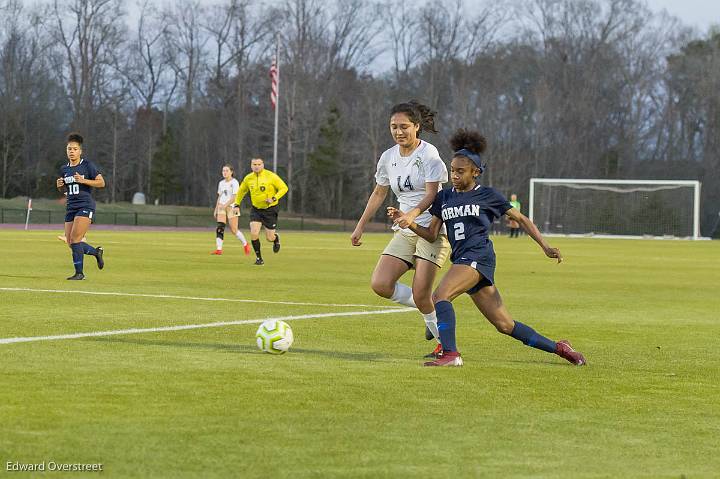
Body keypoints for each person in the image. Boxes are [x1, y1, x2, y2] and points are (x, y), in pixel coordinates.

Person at [388, 129, 586, 367]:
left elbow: (521, 219)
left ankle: (450, 354)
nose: (455, 175)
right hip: (463, 262)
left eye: (461, 171)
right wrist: (409, 223)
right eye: (452, 170)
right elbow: (431, 234)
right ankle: (560, 348)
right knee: (504, 325)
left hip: (478, 258)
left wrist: (545, 246)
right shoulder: (444, 198)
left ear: (476, 172)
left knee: (441, 295)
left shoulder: (487, 195)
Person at [351, 101, 450, 357]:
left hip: (432, 229)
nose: (398, 132)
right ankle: (431, 312)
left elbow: (432, 195)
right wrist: (360, 227)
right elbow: (378, 192)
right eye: (393, 127)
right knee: (381, 284)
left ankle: (447, 348)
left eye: (404, 126)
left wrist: (412, 214)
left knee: (421, 293)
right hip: (405, 230)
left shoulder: (429, 155)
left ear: (417, 127)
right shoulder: (388, 157)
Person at [56, 133, 105, 280]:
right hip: (71, 207)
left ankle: (79, 273)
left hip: (85, 205)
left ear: (80, 151)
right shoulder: (64, 169)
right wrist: (59, 187)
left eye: (74, 149)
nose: (71, 151)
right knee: (71, 242)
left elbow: (101, 183)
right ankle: (96, 253)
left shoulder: (87, 165)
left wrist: (84, 180)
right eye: (69, 149)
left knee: (76, 239)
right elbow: (65, 190)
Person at [233, 158, 288, 265]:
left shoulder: (271, 176)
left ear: (263, 165)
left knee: (269, 237)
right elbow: (241, 191)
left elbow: (284, 188)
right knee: (254, 233)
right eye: (254, 164)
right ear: (251, 166)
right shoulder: (248, 178)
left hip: (270, 210)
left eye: (259, 164)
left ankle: (276, 239)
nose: (257, 166)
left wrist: (274, 198)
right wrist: (236, 204)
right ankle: (259, 258)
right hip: (256, 210)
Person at [211, 165, 250, 256]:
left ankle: (245, 244)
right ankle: (219, 249)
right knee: (220, 227)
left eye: (226, 170)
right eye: (223, 170)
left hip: (233, 207)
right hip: (222, 206)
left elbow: (235, 197)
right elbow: (220, 196)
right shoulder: (221, 183)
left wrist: (226, 205)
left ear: (231, 172)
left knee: (234, 230)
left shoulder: (235, 182)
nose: (224, 172)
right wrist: (216, 209)